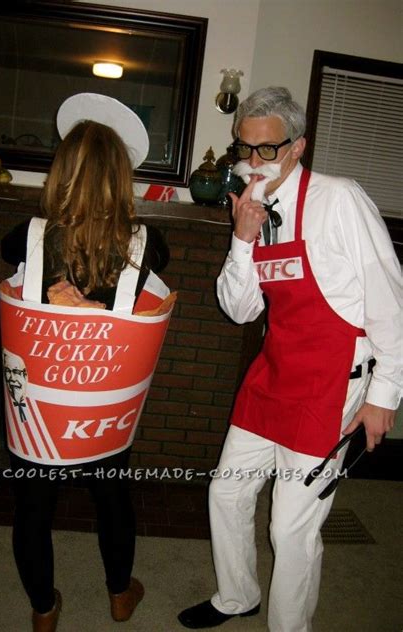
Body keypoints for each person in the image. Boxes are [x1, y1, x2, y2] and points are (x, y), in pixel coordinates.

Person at [178, 86, 402, 631]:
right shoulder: (254, 210)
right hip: (274, 372)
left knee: (290, 526)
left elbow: (391, 300)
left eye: (266, 150)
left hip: (331, 382)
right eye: (244, 149)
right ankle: (237, 596)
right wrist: (242, 239)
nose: (252, 164)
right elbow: (239, 310)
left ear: (298, 148)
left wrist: (383, 398)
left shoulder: (339, 199)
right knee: (227, 489)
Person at [0, 95, 169, 632]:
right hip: (100, 408)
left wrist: (55, 301)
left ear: (63, 171)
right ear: (121, 179)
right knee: (113, 498)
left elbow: (16, 278)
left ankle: (44, 609)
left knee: (33, 507)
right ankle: (120, 594)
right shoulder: (147, 247)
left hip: (42, 412)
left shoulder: (25, 236)